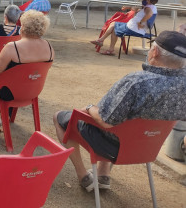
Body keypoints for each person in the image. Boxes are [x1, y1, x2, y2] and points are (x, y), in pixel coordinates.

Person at [54, 31, 186, 192]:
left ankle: (83, 176)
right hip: (148, 147)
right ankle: (103, 175)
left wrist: (89, 108)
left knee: (61, 117)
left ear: (155, 52)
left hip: (113, 145)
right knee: (118, 113)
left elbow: (106, 121)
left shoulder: (137, 82)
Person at [0, 10, 54, 132]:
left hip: (10, 92)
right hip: (32, 91)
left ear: (23, 26)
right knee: (14, 79)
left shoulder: (12, 47)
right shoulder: (49, 47)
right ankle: (6, 115)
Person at [91, 0, 159, 56]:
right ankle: (103, 42)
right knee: (113, 24)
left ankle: (104, 44)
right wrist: (128, 7)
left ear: (149, 0)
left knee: (114, 27)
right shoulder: (152, 7)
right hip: (135, 28)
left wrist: (140, 22)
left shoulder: (148, 8)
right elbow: (137, 9)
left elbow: (149, 14)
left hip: (133, 29)